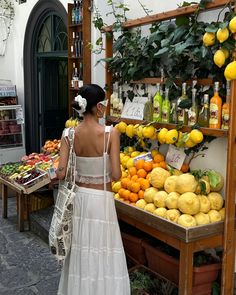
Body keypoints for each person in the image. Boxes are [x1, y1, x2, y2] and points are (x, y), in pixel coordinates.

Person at [56, 84, 130, 295]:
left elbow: (61, 172)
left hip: (79, 199)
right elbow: (116, 175)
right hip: (102, 200)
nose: (105, 108)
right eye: (104, 104)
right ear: (98, 107)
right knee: (104, 249)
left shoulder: (69, 133)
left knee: (81, 249)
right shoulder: (110, 133)